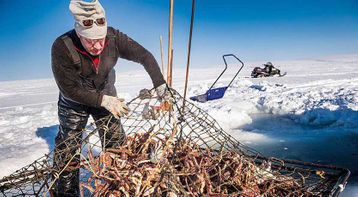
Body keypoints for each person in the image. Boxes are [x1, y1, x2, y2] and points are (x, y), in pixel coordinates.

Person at [51, 0, 168, 196]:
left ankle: (116, 187)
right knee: (68, 147)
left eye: (101, 39)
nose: (97, 46)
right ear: (79, 34)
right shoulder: (62, 46)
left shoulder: (113, 38)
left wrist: (160, 83)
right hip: (74, 101)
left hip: (106, 93)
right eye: (90, 41)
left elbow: (145, 56)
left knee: (116, 143)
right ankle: (67, 193)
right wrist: (102, 101)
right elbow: (68, 88)